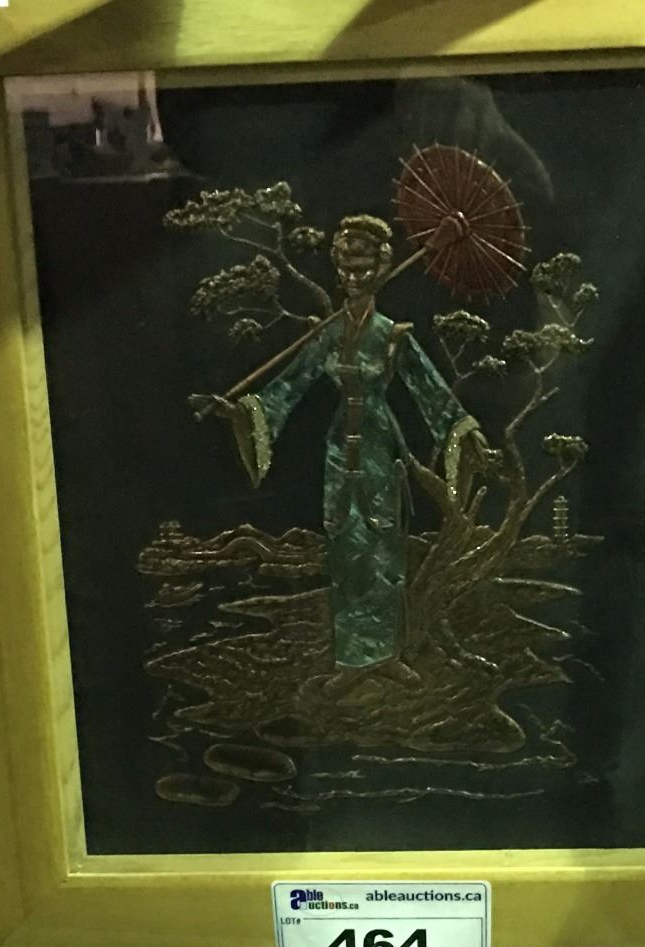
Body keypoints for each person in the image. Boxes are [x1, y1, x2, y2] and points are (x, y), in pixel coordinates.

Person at [193, 216, 481, 700]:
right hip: (337, 447)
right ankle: (351, 661)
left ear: (382, 269)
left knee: (384, 549)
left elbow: (432, 393)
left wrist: (465, 434)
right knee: (345, 551)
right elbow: (290, 384)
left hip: (379, 445)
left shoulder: (393, 336)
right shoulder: (327, 333)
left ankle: (386, 656)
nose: (353, 277)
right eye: (346, 268)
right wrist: (242, 411)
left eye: (363, 269)